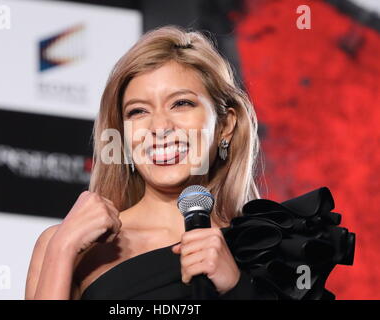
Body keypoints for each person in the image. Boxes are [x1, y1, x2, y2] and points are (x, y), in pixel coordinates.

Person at [24, 25, 355, 300]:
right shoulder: (67, 245)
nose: (160, 128)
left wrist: (236, 286)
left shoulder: (269, 247)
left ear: (225, 125)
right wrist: (63, 248)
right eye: (138, 111)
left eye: (181, 103)